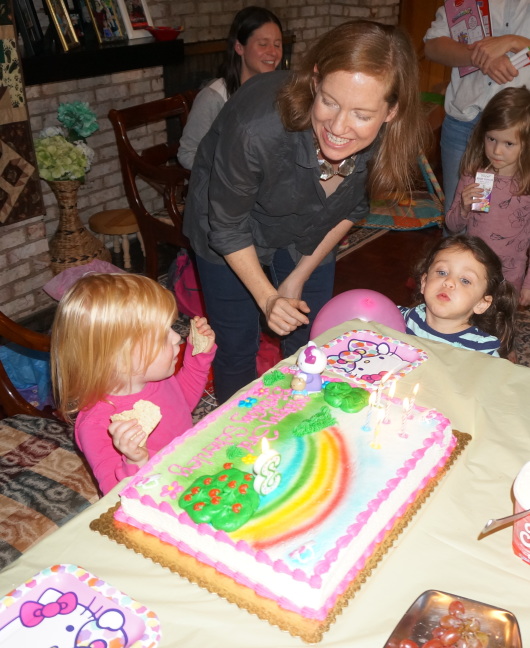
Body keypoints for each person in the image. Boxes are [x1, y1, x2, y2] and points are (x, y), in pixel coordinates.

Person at [183, 20, 428, 403]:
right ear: (315, 82)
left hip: (309, 229)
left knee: (312, 340)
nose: (339, 127)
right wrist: (268, 298)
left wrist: (296, 277)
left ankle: (300, 420)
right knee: (237, 345)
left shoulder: (391, 142)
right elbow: (227, 227)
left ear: (391, 111)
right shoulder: (257, 128)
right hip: (229, 227)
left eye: (362, 114)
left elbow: (354, 208)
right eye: (329, 101)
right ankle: (245, 440)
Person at [50, 273, 216, 495]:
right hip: (158, 497)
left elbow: (182, 404)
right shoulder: (97, 424)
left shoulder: (156, 380)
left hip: (189, 469)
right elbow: (115, 494)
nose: (177, 337)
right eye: (161, 336)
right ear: (120, 356)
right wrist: (135, 460)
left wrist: (198, 358)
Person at [423, 1, 530, 209]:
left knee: (511, 221)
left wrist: (513, 41)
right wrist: (479, 56)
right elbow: (432, 47)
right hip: (464, 126)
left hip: (521, 132)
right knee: (461, 220)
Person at [445, 87, 530, 307]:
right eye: (491, 139)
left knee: (500, 331)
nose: (497, 151)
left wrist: (529, 284)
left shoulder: (527, 187)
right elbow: (452, 226)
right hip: (472, 273)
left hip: (510, 280)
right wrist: (464, 208)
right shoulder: (474, 175)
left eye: (508, 144)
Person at [177, 6, 283, 170]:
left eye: (277, 45)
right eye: (263, 44)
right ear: (239, 47)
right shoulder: (213, 98)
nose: (273, 52)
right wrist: (228, 173)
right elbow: (187, 153)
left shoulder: (279, 92)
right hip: (224, 188)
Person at [399, 234, 517, 357]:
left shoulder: (482, 351)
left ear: (481, 304)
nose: (449, 282)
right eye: (442, 272)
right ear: (424, 282)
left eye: (465, 280)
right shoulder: (405, 317)